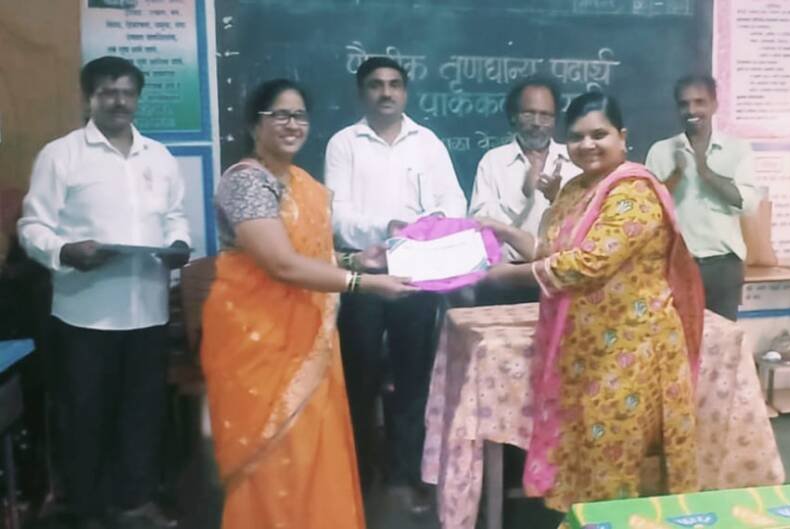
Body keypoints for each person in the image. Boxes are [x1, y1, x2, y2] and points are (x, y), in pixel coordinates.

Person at [200, 78, 414, 529]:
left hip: (308, 342)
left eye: (299, 115)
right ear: (254, 125)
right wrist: (364, 283)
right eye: (279, 115)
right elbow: (281, 264)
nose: (292, 124)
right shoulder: (245, 183)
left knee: (313, 452)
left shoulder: (303, 184)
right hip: (259, 345)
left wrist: (358, 259)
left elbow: (312, 256)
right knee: (274, 459)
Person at [483, 92, 704, 513]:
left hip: (630, 354)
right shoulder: (576, 189)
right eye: (577, 136)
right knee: (584, 454)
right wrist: (504, 232)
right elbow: (552, 250)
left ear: (622, 136)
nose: (587, 145)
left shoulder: (634, 191)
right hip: (584, 352)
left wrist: (507, 276)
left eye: (599, 134)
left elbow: (588, 263)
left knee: (612, 461)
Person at [17, 56, 191, 529]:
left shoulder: (158, 156)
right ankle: (86, 510)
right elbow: (32, 227)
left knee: (143, 413)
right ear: (88, 98)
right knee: (84, 416)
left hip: (147, 309)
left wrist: (178, 244)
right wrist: (65, 250)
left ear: (138, 98)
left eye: (127, 92)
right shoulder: (62, 155)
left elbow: (174, 216)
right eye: (108, 92)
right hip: (85, 314)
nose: (119, 101)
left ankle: (136, 501)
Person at [324, 56, 466, 511]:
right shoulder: (343, 144)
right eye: (376, 85)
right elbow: (337, 215)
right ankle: (359, 472)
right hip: (364, 275)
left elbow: (454, 201)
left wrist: (427, 226)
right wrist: (387, 227)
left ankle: (407, 471)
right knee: (359, 376)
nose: (386, 92)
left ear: (405, 92)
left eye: (394, 84)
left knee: (414, 376)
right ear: (361, 93)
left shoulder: (428, 142)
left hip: (417, 272)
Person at [645, 74, 758, 321]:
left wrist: (705, 171)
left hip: (723, 268)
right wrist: (676, 175)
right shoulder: (661, 151)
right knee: (678, 338)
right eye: (684, 104)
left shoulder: (737, 150)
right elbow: (648, 210)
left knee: (722, 338)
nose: (691, 110)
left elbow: (748, 203)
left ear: (714, 105)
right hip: (677, 265)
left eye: (700, 102)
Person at [469, 76, 580, 305]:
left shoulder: (574, 161)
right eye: (529, 114)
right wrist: (524, 193)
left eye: (545, 115)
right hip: (504, 279)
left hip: (560, 278)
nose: (537, 122)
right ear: (513, 116)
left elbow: (585, 226)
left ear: (555, 119)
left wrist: (557, 198)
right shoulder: (493, 161)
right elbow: (480, 226)